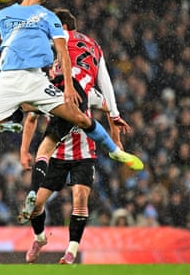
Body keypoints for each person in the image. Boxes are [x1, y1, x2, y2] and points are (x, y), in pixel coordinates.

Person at [0, 0, 143, 221]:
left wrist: (69, 86)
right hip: (8, 80)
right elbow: (17, 41)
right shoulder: (4, 14)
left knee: (78, 116)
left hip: (38, 79)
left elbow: (63, 52)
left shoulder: (50, 18)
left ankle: (115, 151)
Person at [17, 8, 132, 224]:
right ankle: (114, 149)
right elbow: (107, 91)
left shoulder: (57, 44)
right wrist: (116, 135)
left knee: (32, 116)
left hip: (67, 102)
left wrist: (24, 151)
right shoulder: (94, 46)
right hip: (83, 94)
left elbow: (32, 117)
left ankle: (33, 194)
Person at [23, 87, 125, 264]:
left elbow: (111, 109)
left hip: (83, 156)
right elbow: (31, 118)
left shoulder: (87, 92)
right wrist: (24, 150)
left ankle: (71, 251)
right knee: (36, 204)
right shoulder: (46, 93)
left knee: (80, 197)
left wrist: (115, 139)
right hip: (56, 156)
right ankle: (39, 239)